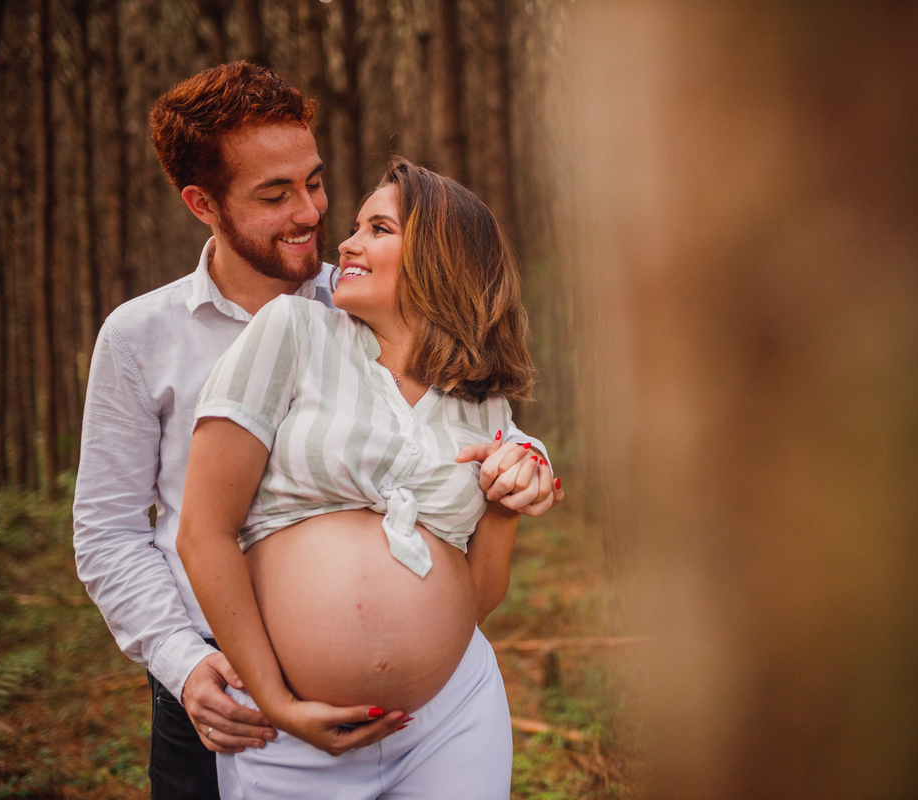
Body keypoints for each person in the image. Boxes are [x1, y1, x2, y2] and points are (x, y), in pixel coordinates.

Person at [72, 62, 559, 800]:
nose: (311, 215)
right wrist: (182, 663)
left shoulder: (363, 299)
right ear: (203, 202)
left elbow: (468, 423)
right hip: (221, 686)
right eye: (274, 194)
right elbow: (107, 531)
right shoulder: (141, 336)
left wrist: (529, 460)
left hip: (434, 711)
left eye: (314, 181)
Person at [177, 157, 538, 798]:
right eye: (355, 226)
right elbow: (203, 535)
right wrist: (277, 703)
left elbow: (476, 596)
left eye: (378, 228)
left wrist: (505, 505)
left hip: (452, 716)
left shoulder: (484, 403)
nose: (345, 242)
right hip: (289, 726)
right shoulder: (293, 330)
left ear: (441, 256)